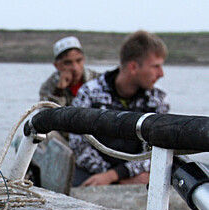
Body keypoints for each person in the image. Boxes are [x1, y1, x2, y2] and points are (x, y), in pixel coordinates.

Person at [70, 30, 169, 187]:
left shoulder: (157, 98)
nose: (161, 73)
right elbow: (78, 144)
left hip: (134, 174)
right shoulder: (89, 92)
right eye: (155, 66)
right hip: (93, 172)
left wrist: (116, 175)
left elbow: (157, 152)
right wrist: (110, 176)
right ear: (133, 67)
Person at [39, 36, 99, 106]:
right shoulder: (48, 87)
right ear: (57, 66)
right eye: (68, 63)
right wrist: (59, 91)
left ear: (84, 59)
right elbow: (45, 114)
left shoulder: (97, 80)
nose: (75, 68)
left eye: (78, 61)